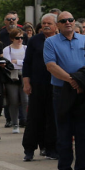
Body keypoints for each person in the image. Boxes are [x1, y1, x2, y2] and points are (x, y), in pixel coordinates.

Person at [44, 12, 85, 170]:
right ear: (57, 25)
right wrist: (73, 81)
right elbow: (51, 66)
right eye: (63, 20)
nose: (68, 22)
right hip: (62, 91)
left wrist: (81, 82)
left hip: (83, 91)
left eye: (71, 20)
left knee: (84, 134)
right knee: (64, 133)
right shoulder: (51, 42)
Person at [22, 14, 58, 161]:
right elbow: (27, 62)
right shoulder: (34, 40)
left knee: (52, 117)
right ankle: (29, 149)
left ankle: (51, 149)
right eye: (44, 23)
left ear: (56, 25)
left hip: (55, 85)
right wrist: (26, 83)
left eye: (49, 23)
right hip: (37, 85)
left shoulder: (59, 40)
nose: (46, 26)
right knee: (34, 117)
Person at [3, 28, 28, 134]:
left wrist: (16, 61)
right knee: (13, 101)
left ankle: (27, 122)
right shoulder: (7, 49)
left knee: (25, 100)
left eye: (21, 37)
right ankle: (15, 124)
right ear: (12, 38)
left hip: (24, 76)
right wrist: (21, 63)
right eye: (17, 38)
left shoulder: (26, 48)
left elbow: (28, 62)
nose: (20, 40)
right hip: (11, 77)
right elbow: (9, 64)